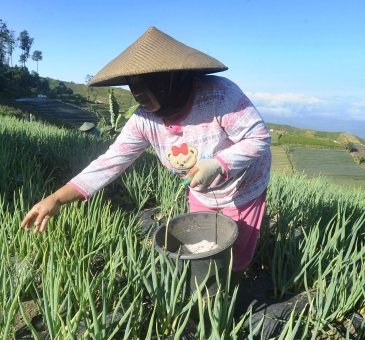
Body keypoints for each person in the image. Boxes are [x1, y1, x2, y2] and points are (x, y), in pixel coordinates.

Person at [21, 26, 272, 280]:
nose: (139, 91)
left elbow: (258, 138)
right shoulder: (144, 120)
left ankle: (232, 289)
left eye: (148, 82)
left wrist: (218, 164)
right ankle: (206, 289)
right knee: (203, 240)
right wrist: (57, 198)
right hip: (200, 189)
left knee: (235, 247)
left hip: (242, 186)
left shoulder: (220, 96)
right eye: (134, 84)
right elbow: (112, 161)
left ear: (173, 78)